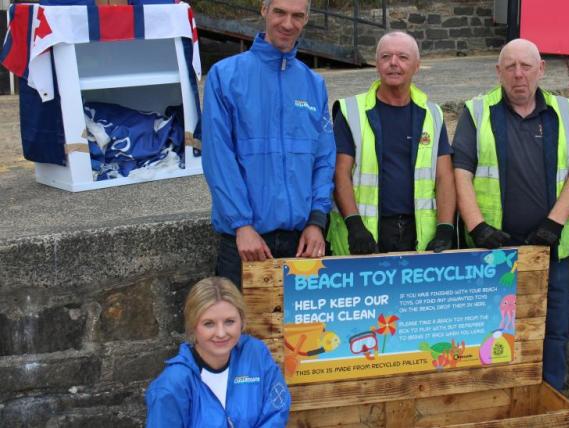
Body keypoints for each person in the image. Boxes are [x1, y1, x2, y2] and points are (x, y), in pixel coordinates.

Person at [452, 38, 569, 391]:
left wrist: (553, 223)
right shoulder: (477, 111)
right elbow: (460, 173)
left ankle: (549, 398)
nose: (518, 74)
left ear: (541, 69)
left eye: (526, 66)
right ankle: (498, 401)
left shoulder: (562, 110)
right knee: (489, 332)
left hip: (549, 249)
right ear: (498, 72)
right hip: (493, 252)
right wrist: (477, 226)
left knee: (552, 329)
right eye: (510, 67)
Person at [202, 0, 336, 287]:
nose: (288, 24)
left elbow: (324, 159)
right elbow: (219, 159)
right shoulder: (225, 76)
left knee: (304, 333)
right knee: (239, 331)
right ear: (264, 10)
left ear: (307, 19)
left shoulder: (314, 84)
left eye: (297, 16)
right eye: (280, 12)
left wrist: (316, 221)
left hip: (302, 241)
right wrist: (242, 224)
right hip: (246, 242)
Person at [327, 31, 456, 255]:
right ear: (377, 64)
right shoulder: (351, 111)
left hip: (417, 236)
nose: (393, 63)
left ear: (417, 66)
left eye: (402, 57)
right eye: (386, 56)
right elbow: (340, 172)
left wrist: (445, 227)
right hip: (364, 235)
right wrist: (354, 224)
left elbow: (444, 175)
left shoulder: (432, 114)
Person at [145, 277, 290, 427]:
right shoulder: (172, 384)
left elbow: (276, 412)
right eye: (209, 324)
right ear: (193, 326)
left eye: (229, 321)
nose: (221, 333)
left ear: (242, 321)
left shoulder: (256, 353)